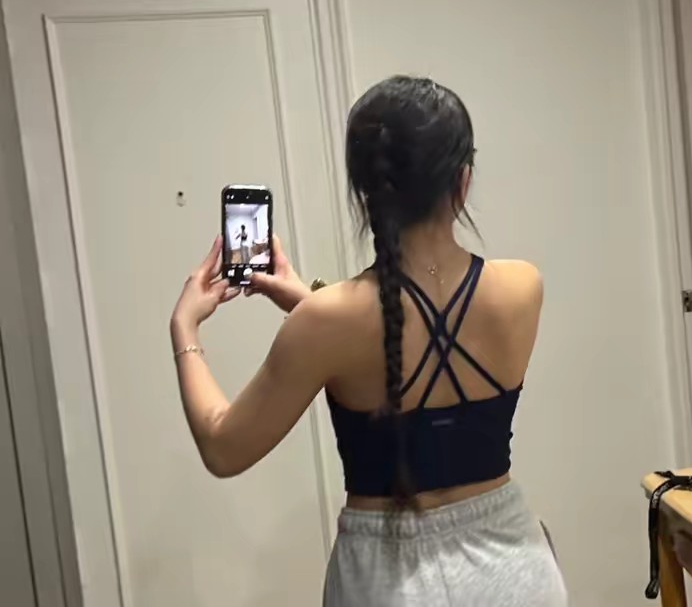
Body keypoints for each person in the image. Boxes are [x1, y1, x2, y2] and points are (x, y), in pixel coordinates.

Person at [170, 76, 568, 606]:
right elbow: (406, 329)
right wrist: (311, 301)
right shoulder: (522, 287)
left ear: (365, 192)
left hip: (388, 582)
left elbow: (223, 448)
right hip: (517, 572)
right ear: (463, 180)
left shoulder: (326, 322)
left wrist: (185, 329)